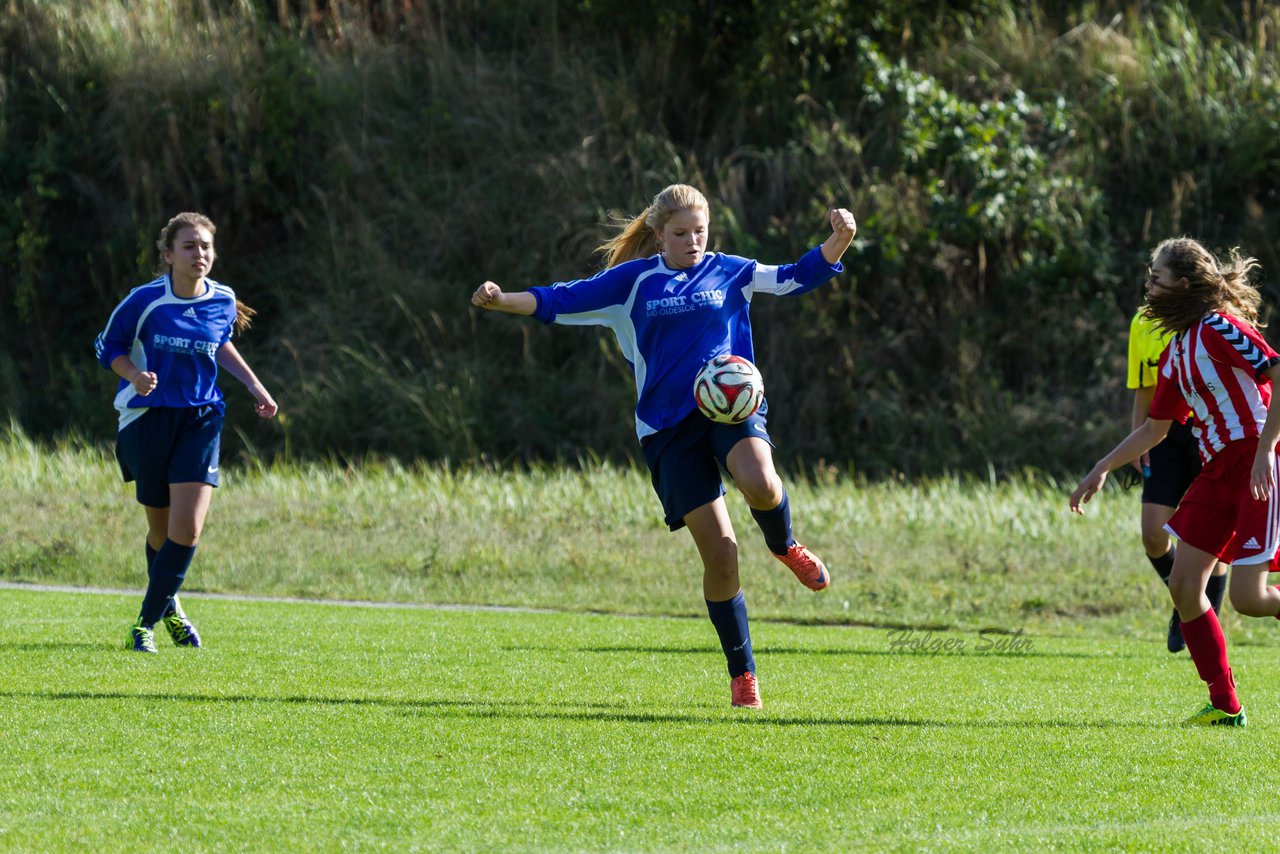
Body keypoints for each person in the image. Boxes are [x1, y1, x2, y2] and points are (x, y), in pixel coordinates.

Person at [471, 184, 856, 709]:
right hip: (667, 429)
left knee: (762, 482)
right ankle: (743, 675)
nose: (694, 241)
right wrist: (500, 300)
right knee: (721, 555)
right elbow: (561, 299)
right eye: (681, 233)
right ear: (658, 235)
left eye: (701, 231)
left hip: (730, 406)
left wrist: (840, 240)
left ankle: (785, 544)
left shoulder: (731, 271)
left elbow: (794, 276)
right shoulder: (633, 283)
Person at [1071, 237, 1280, 726]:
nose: (1148, 285)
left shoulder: (1220, 328)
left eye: (1156, 278)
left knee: (1250, 599)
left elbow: (1276, 369)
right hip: (1217, 472)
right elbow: (1154, 429)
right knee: (1185, 585)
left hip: (1256, 462)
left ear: (1183, 285)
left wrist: (1268, 448)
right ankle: (1226, 707)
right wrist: (1100, 468)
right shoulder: (1178, 351)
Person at [94, 212, 279, 653]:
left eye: (206, 247)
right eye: (190, 247)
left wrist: (254, 384)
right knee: (161, 533)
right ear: (168, 254)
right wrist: (135, 375)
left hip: (201, 418)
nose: (200, 254)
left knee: (188, 529)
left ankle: (144, 624)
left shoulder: (222, 299)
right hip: (147, 419)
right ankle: (170, 607)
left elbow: (218, 341)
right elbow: (107, 346)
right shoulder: (144, 301)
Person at [1125, 308, 1228, 652]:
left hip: (1209, 431)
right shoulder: (1143, 321)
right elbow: (1144, 387)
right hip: (1162, 433)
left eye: (1159, 275)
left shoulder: (1214, 320)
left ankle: (1200, 617)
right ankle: (1184, 601)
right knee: (1154, 534)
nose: (1152, 284)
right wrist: (1135, 440)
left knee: (1209, 540)